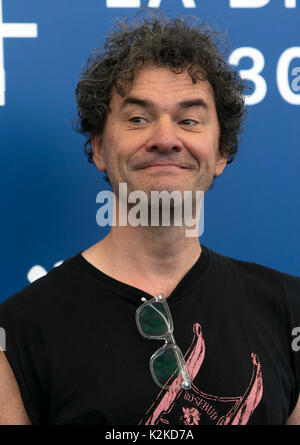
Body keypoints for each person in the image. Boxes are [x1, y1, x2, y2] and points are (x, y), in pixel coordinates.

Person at [0, 11, 299, 426]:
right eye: (138, 118)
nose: (164, 139)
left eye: (189, 120)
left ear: (222, 152)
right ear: (100, 147)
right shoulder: (18, 331)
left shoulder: (290, 311)